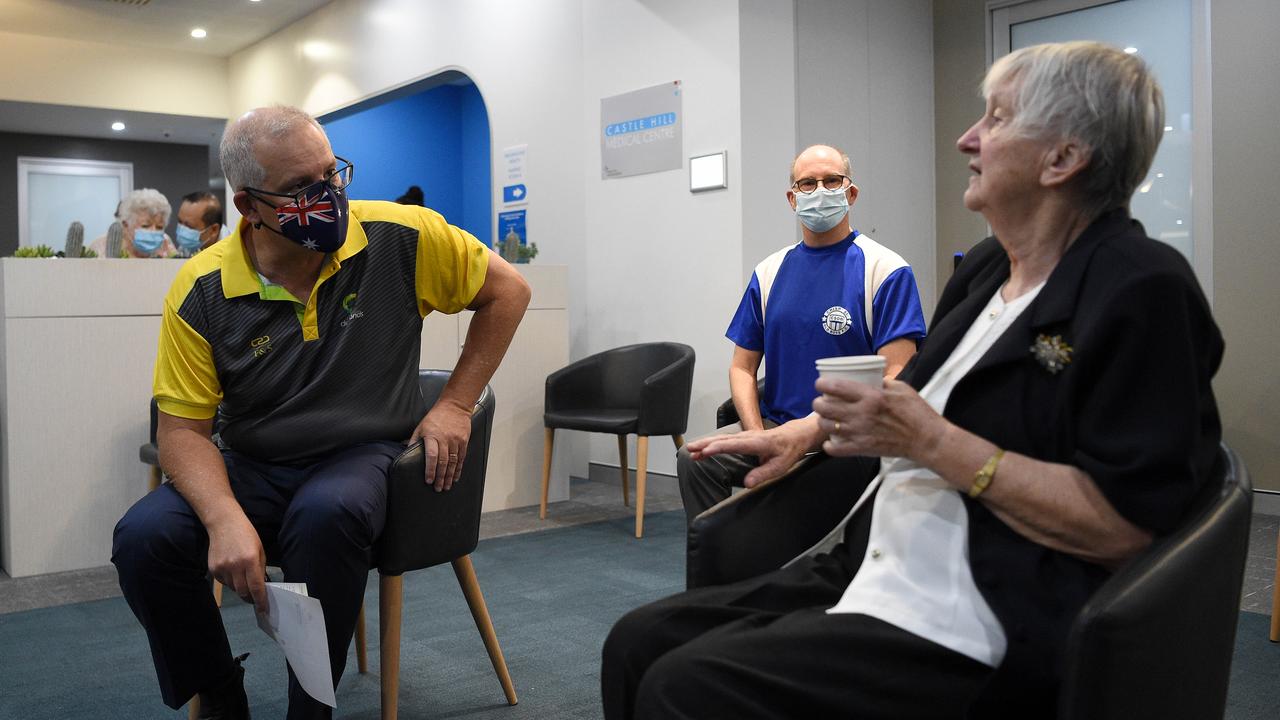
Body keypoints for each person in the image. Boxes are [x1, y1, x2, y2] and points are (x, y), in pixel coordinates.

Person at [603, 41, 1223, 719]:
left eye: (996, 118)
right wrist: (799, 437)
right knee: (637, 641)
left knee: (683, 687)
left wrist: (939, 445)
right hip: (873, 564)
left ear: (1063, 157)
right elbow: (902, 400)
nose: (967, 138)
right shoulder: (988, 268)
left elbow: (1127, 529)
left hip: (977, 608)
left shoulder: (1143, 288)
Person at [111, 106, 531, 719]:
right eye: (303, 190)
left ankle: (312, 710)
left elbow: (508, 292)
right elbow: (180, 432)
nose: (329, 196)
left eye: (334, 175)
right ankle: (221, 691)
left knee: (326, 515)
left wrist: (455, 404)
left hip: (362, 455)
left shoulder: (399, 236)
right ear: (248, 207)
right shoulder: (200, 288)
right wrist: (225, 518)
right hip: (254, 463)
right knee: (144, 539)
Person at [677, 144, 926, 522]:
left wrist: (813, 431)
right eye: (807, 184)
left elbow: (896, 377)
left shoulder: (886, 270)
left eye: (831, 181)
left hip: (847, 435)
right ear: (793, 199)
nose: (820, 191)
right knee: (695, 458)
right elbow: (742, 367)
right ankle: (725, 567)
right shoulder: (769, 272)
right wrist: (758, 435)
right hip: (775, 424)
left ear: (851, 193)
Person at [90, 188, 179, 258]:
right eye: (145, 226)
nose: (154, 231)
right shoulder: (102, 246)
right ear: (125, 225)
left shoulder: (166, 242)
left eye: (159, 227)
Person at [174, 190, 225, 256]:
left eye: (189, 226)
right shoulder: (187, 248)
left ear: (213, 230)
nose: (182, 230)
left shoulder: (234, 249)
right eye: (180, 221)